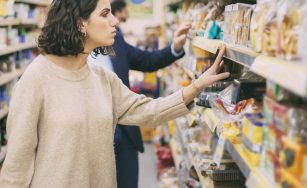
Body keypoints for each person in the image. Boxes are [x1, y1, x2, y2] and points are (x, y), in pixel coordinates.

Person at [0, 0, 229, 187]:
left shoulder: (101, 77)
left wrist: (196, 87)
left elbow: (147, 111)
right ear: (81, 24)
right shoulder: (36, 79)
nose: (115, 21)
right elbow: (16, 168)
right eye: (105, 14)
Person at [109, 2, 190, 188]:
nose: (114, 20)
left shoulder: (116, 41)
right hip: (91, 142)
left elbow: (146, 60)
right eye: (105, 13)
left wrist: (174, 47)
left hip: (124, 132)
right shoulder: (67, 58)